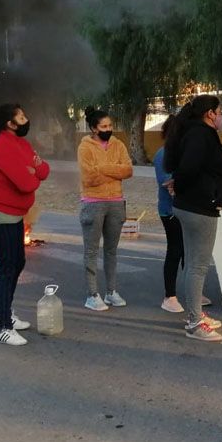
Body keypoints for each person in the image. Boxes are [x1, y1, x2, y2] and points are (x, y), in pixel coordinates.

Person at [0, 103, 50, 347]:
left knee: (18, 263)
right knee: (7, 268)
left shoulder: (22, 144)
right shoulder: (1, 147)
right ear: (10, 123)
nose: (26, 119)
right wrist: (32, 172)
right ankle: (4, 327)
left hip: (13, 215)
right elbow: (27, 184)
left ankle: (4, 313)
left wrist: (33, 170)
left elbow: (44, 170)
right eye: (22, 116)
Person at [164, 95, 222, 342]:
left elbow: (186, 166)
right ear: (210, 113)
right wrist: (182, 183)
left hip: (192, 205)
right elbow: (190, 166)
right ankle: (194, 323)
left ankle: (195, 313)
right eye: (220, 111)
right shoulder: (201, 134)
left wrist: (178, 182)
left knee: (193, 264)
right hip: (199, 208)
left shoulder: (191, 132)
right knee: (198, 266)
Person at [77, 107, 134, 311]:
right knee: (91, 251)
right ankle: (92, 294)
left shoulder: (118, 145)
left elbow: (128, 170)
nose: (108, 129)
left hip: (116, 203)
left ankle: (111, 291)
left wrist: (102, 168)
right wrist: (114, 170)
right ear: (93, 128)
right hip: (93, 203)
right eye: (103, 126)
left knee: (111, 251)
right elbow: (89, 178)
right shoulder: (85, 147)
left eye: (110, 125)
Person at [153, 117, 185, 314]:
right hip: (170, 212)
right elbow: (169, 183)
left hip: (186, 210)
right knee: (175, 250)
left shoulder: (184, 153)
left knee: (189, 253)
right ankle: (169, 296)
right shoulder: (163, 154)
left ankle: (193, 292)